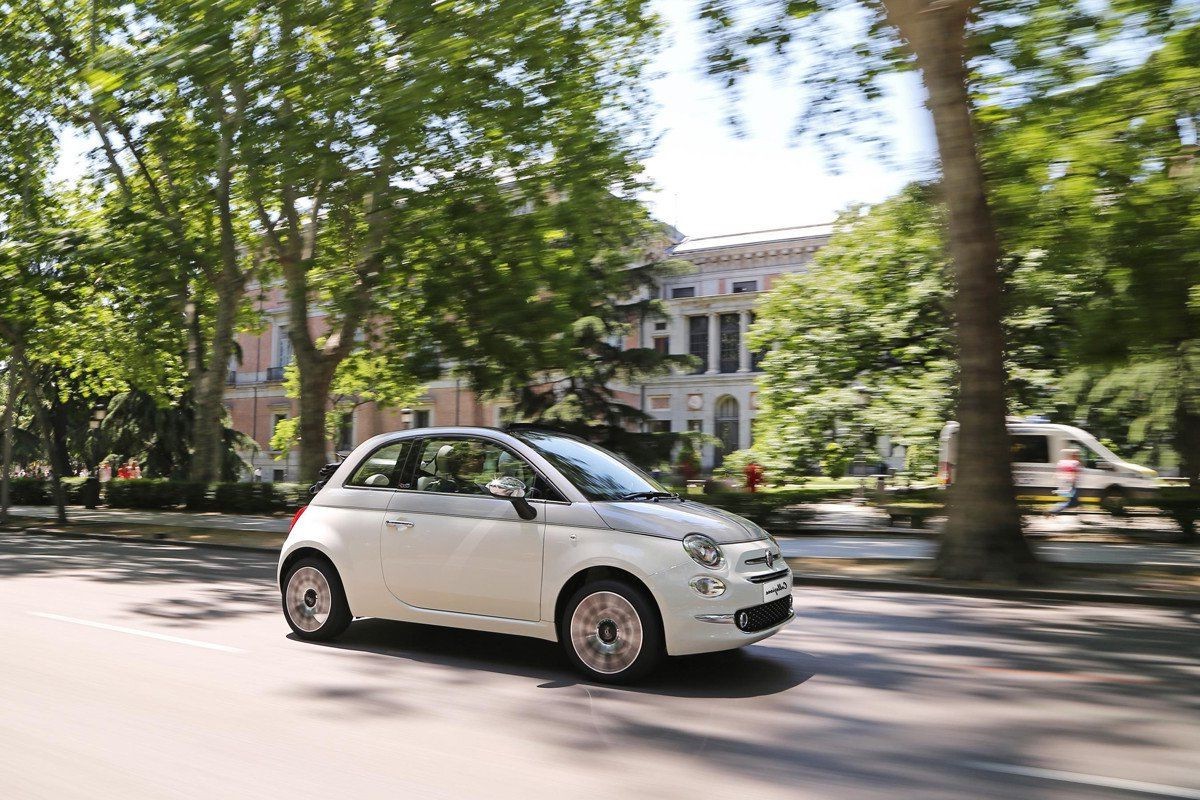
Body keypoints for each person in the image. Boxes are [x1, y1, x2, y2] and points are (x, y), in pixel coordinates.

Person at [1048, 447, 1081, 515]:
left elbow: (1057, 474)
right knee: (1073, 502)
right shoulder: (1075, 463)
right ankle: (1052, 510)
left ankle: (1053, 511)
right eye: (1077, 455)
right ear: (1073, 455)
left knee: (1073, 502)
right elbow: (1074, 475)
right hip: (1071, 485)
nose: (1078, 456)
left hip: (1062, 484)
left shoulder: (1061, 462)